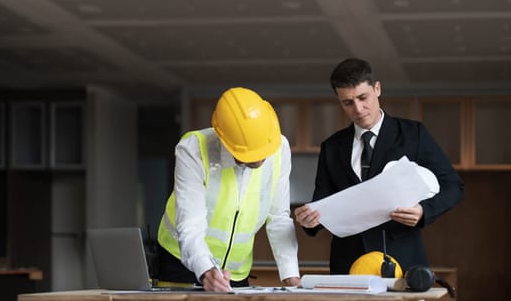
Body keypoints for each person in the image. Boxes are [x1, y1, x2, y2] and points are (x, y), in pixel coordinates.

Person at [294, 58, 465, 275]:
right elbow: (323, 202)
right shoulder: (331, 147)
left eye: (363, 98)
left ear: (377, 89)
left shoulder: (414, 135)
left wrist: (423, 211)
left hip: (402, 260)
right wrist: (309, 220)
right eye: (347, 102)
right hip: (348, 264)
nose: (358, 108)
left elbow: (454, 186)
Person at [156, 87, 301, 291]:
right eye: (249, 154)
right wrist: (206, 269)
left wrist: (291, 276)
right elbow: (190, 224)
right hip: (182, 265)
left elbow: (278, 217)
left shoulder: (279, 148)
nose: (259, 158)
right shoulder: (193, 150)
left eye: (263, 152)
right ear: (225, 141)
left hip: (236, 273)